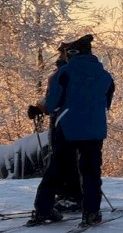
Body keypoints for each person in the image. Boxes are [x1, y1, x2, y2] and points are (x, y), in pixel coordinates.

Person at [27, 34, 115, 228]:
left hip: (67, 128)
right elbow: (106, 103)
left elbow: (51, 104)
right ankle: (91, 213)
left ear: (72, 52)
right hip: (94, 130)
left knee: (56, 169)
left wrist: (41, 109)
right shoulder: (106, 76)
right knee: (91, 172)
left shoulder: (64, 73)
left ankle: (43, 210)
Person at [26, 47, 85, 215]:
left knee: (64, 160)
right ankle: (69, 195)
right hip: (68, 122)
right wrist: (40, 107)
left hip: (64, 122)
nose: (59, 55)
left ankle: (72, 197)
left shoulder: (65, 73)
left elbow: (55, 97)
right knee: (67, 159)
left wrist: (41, 108)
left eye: (62, 52)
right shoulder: (64, 72)